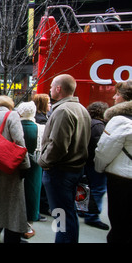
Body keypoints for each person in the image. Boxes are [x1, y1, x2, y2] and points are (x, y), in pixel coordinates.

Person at [38, 74, 91, 243]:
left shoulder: (63, 111)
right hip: (73, 170)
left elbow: (58, 146)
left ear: (59, 89)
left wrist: (43, 162)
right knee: (68, 214)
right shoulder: (81, 109)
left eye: (52, 86)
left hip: (59, 172)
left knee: (61, 216)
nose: (50, 89)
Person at [0, 96, 30, 243]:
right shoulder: (12, 115)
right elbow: (20, 142)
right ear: (11, 105)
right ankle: (12, 236)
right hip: (9, 166)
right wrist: (25, 165)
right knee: (12, 203)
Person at [94, 81, 132, 243]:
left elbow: (104, 151)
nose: (114, 97)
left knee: (119, 226)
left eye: (117, 94)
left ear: (124, 98)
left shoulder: (120, 121)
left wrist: (99, 168)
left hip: (122, 181)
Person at [82, 101, 110, 230]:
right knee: (97, 189)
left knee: (85, 187)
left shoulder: (87, 122)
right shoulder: (98, 126)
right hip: (94, 164)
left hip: (85, 161)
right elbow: (98, 147)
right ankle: (92, 216)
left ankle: (83, 210)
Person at [17, 101, 42, 239]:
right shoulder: (40, 128)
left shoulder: (15, 126)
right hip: (34, 167)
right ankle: (27, 225)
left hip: (16, 165)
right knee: (31, 194)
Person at [33, 93, 51, 217]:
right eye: (48, 102)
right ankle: (42, 207)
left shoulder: (41, 117)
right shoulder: (41, 120)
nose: (50, 105)